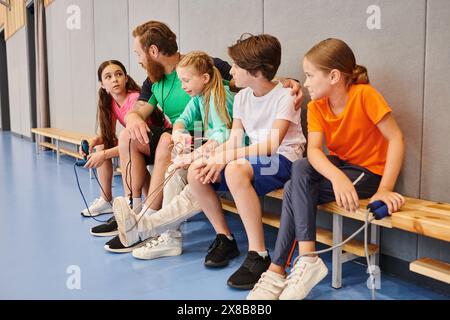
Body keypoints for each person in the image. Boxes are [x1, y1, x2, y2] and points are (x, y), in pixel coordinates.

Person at [247, 38, 405, 300]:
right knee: (300, 169)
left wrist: (386, 188)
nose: (305, 82)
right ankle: (305, 259)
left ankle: (279, 269)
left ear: (334, 76)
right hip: (342, 168)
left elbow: (396, 139)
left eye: (309, 75)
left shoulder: (365, 95)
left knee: (291, 191)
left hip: (369, 172)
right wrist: (337, 177)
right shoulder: (317, 106)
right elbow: (314, 152)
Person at [188, 34, 306, 290]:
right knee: (196, 172)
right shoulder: (241, 97)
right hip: (252, 158)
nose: (231, 70)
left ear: (255, 71)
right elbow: (234, 140)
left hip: (283, 160)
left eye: (237, 66)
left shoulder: (285, 96)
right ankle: (225, 238)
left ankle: (259, 254)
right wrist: (214, 158)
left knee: (234, 169)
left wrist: (228, 158)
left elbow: (271, 145)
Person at [113, 51, 235, 261]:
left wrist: (193, 155)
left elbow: (222, 136)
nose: (183, 85)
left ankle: (145, 226)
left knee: (194, 181)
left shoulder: (219, 95)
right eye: (181, 81)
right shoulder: (198, 98)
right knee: (173, 169)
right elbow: (183, 120)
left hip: (232, 154)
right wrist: (179, 134)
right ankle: (168, 236)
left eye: (186, 80)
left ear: (204, 78)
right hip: (214, 153)